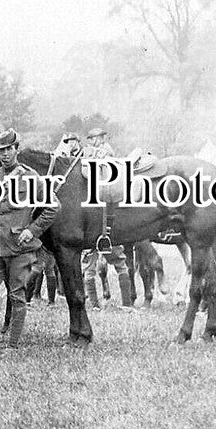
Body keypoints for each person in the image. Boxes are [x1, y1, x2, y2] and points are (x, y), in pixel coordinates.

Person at [0, 129, 58, 356]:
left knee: (17, 296)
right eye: (1, 151)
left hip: (19, 248)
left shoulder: (31, 177)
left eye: (8, 149)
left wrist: (32, 231)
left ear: (17, 149)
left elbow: (53, 207)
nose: (4, 154)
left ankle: (12, 347)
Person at [80, 128, 135, 312]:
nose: (97, 141)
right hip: (97, 221)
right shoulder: (89, 154)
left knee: (115, 262)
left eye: (99, 138)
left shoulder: (106, 154)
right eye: (94, 138)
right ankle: (96, 304)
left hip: (102, 220)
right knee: (92, 265)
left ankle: (125, 304)